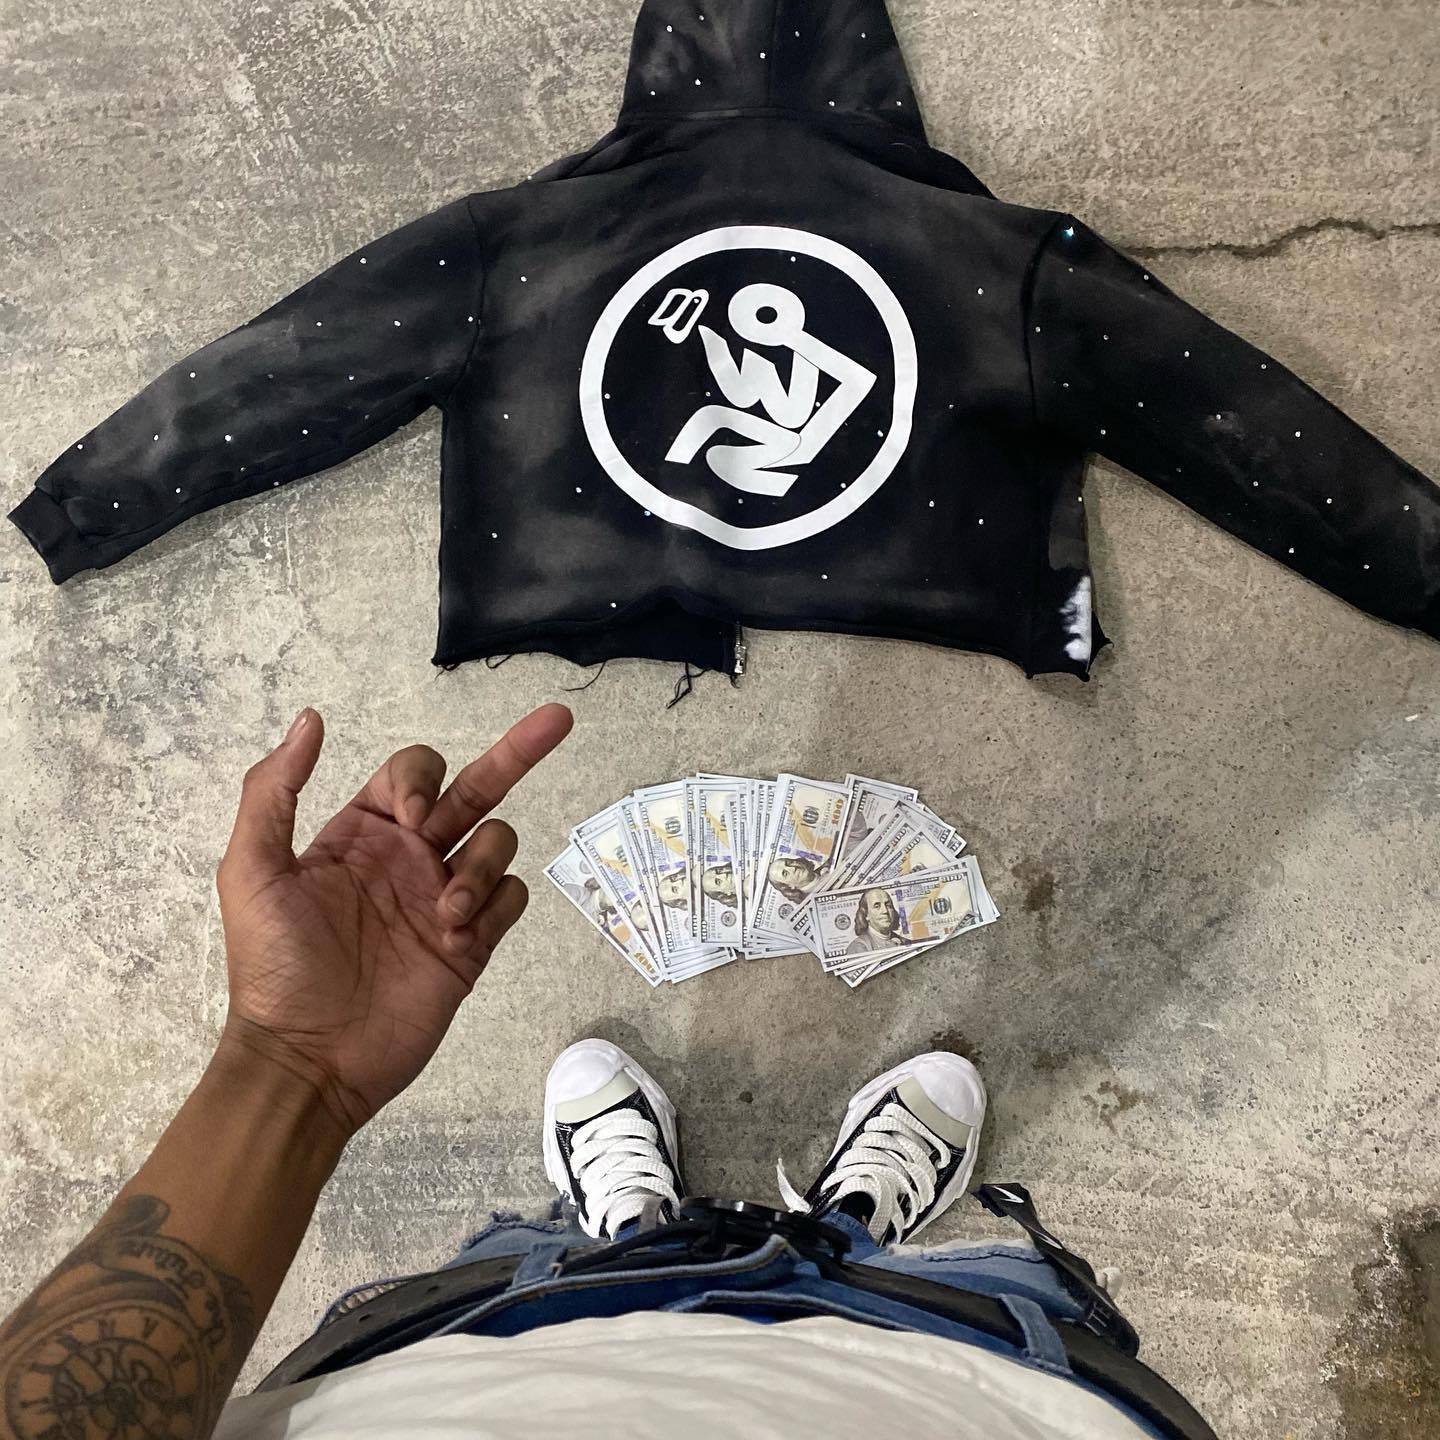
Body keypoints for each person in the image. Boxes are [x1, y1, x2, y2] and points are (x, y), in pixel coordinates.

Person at [0, 704, 1213, 1440]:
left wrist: (291, 1064)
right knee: (907, 1291)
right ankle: (851, 1240)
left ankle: (631, 1242)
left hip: (486, 1342)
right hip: (978, 1381)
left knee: (559, 1274)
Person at [846, 885, 910, 954]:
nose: (885, 911)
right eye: (877, 906)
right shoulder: (858, 947)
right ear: (866, 914)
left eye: (888, 905)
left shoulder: (905, 942)